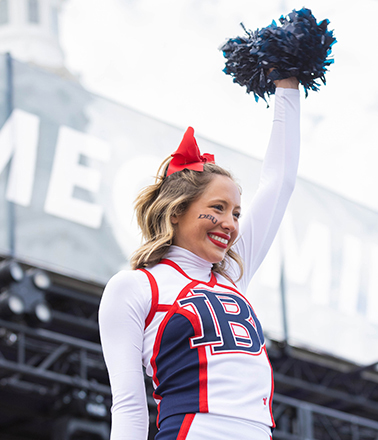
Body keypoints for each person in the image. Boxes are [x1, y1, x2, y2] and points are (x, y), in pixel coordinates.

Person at [98, 75, 300, 440]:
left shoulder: (231, 276)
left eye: (236, 213)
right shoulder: (135, 287)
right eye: (218, 208)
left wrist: (287, 84)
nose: (230, 223)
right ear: (177, 211)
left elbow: (279, 181)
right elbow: (128, 407)